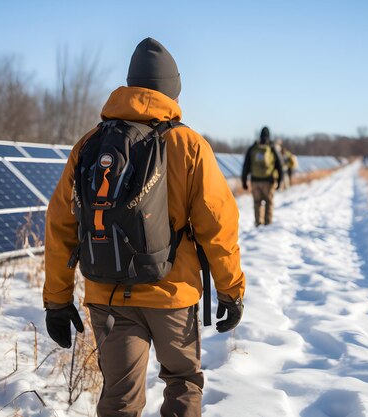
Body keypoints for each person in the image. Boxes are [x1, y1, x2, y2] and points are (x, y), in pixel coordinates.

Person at [43, 37, 246, 417]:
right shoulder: (189, 145)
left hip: (108, 293)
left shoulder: (89, 144)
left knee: (120, 399)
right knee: (183, 382)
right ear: (172, 89)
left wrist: (57, 300)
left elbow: (60, 225)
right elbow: (217, 225)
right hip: (172, 292)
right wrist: (231, 290)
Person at [241, 126, 283, 226]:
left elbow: (246, 165)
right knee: (269, 203)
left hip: (255, 181)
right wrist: (280, 180)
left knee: (257, 203)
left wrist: (244, 181)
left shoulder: (253, 148)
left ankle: (258, 223)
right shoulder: (272, 148)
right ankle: (267, 224)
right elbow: (279, 165)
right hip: (268, 181)